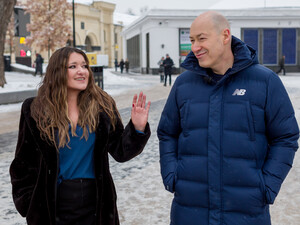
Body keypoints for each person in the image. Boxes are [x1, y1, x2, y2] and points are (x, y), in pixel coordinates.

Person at [157, 11, 299, 225]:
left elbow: (286, 137)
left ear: (225, 36)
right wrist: (172, 175)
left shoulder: (265, 81)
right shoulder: (183, 84)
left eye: (201, 38)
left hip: (246, 213)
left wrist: (267, 185)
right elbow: (167, 132)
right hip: (190, 211)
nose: (194, 47)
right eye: (192, 40)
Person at [10, 47, 151, 225]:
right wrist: (28, 203)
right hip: (51, 207)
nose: (82, 71)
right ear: (58, 71)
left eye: (84, 66)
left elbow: (120, 151)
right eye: (73, 66)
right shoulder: (34, 109)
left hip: (97, 206)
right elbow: (23, 163)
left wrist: (137, 128)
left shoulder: (103, 106)